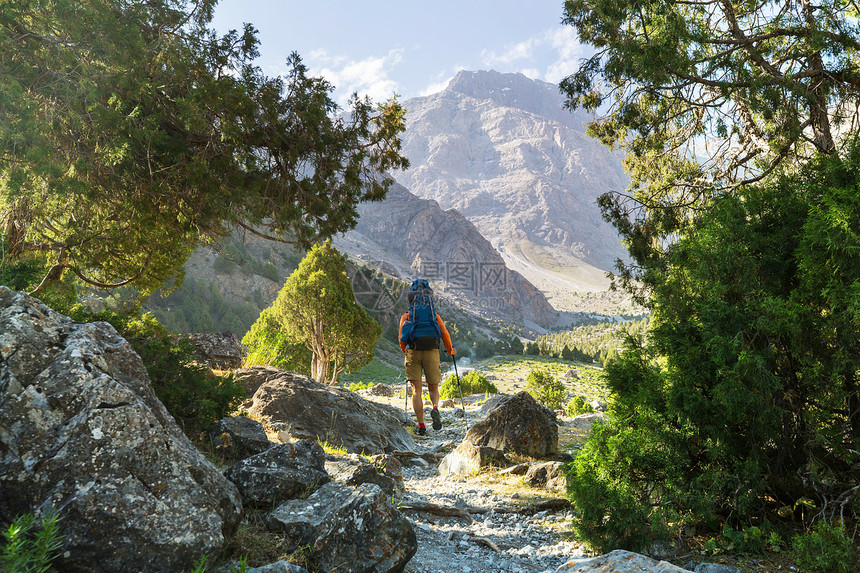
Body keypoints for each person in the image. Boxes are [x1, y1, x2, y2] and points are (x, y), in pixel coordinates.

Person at [398, 283, 456, 435]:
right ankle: (435, 407)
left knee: (416, 390)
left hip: (413, 351)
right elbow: (445, 335)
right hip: (432, 351)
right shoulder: (434, 316)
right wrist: (450, 350)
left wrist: (407, 351)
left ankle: (422, 426)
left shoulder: (406, 316)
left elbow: (401, 339)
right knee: (433, 387)